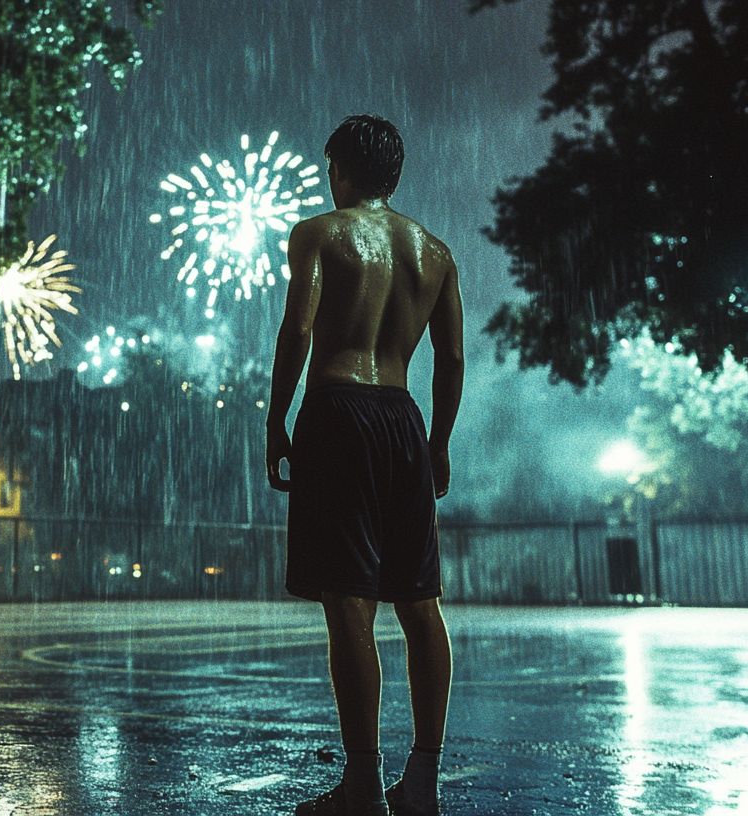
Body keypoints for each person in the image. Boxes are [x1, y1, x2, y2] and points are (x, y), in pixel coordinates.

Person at [265, 114, 463, 816]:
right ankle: (424, 783)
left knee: (350, 602)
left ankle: (360, 787)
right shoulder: (433, 252)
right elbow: (453, 359)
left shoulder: (320, 233)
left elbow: (299, 327)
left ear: (341, 170)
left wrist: (275, 418)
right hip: (403, 418)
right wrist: (437, 443)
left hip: (339, 412)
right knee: (419, 601)